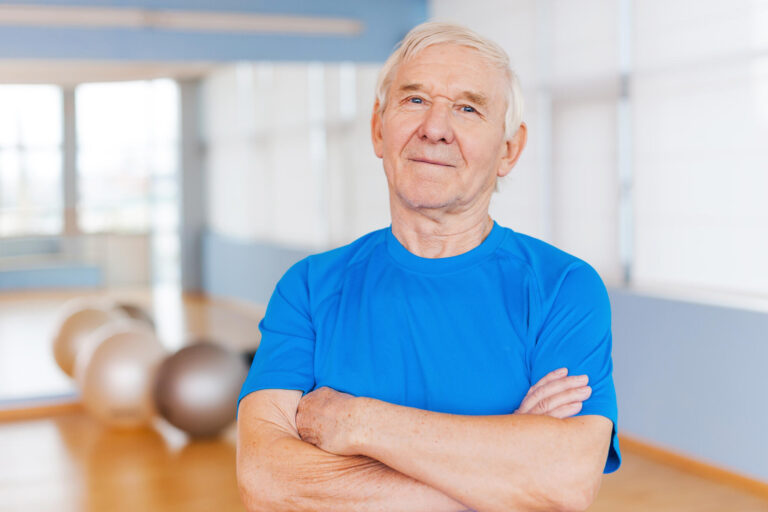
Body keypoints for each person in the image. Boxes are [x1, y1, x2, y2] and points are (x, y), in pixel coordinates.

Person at [236, 21, 621, 512]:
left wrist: (357, 422)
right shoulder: (309, 288)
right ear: (379, 128)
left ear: (509, 149)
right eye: (414, 100)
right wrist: (500, 478)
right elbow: (266, 483)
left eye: (468, 108)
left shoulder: (563, 288)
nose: (435, 129)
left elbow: (564, 485)